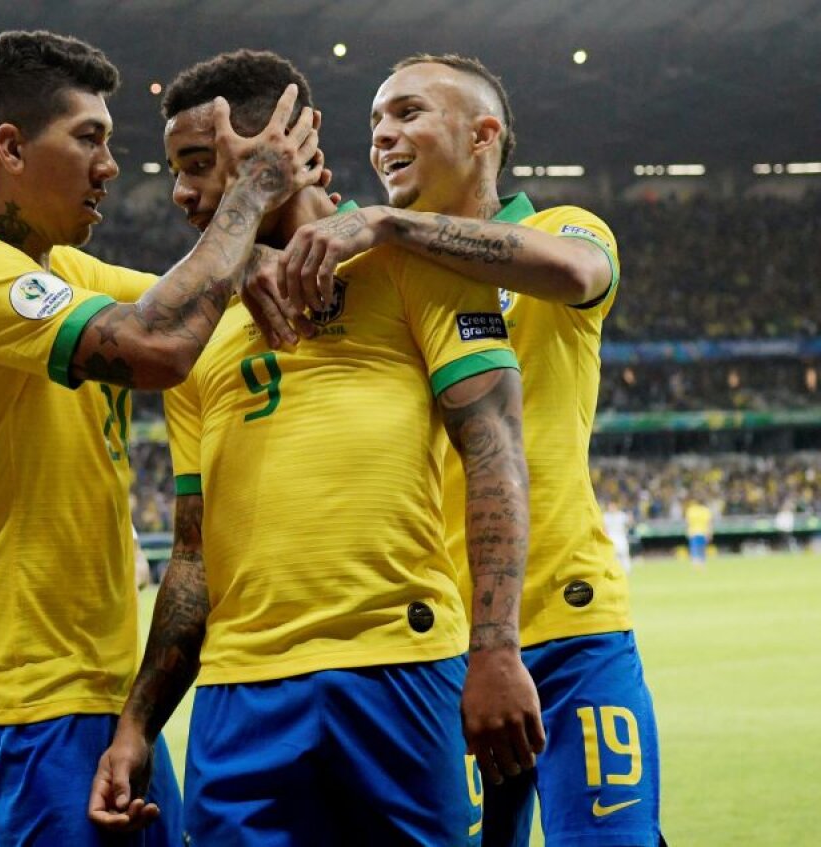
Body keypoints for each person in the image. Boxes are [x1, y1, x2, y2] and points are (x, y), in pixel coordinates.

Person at [88, 49, 539, 844]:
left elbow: (494, 444)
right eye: (176, 170)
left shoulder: (411, 261)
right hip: (240, 692)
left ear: (283, 148)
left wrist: (496, 644)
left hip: (400, 664)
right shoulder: (197, 334)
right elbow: (191, 557)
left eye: (200, 164)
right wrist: (137, 721)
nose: (182, 193)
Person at [0, 29, 321, 845]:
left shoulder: (66, 272)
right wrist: (248, 191)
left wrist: (302, 235)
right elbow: (159, 345)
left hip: (91, 690)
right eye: (89, 138)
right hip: (25, 694)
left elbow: (205, 296)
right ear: (12, 146)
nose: (111, 165)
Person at [278, 53, 664, 847]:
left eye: (409, 113)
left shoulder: (562, 228)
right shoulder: (370, 277)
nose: (384, 133)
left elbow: (573, 272)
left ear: (484, 134)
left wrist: (387, 222)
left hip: (569, 631)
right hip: (432, 651)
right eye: (377, 121)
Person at [603, 503, 634, 573]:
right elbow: (604, 528)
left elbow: (630, 523)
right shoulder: (606, 516)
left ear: (616, 507)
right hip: (611, 538)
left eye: (612, 507)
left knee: (624, 554)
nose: (611, 508)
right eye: (610, 507)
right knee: (613, 556)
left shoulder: (621, 515)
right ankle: (616, 571)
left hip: (621, 537)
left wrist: (630, 517)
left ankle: (627, 571)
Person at [685, 498, 713, 567]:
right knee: (702, 548)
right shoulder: (706, 510)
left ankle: (695, 563)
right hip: (703, 532)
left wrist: (687, 531)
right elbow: (709, 523)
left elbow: (688, 523)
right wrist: (710, 533)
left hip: (693, 532)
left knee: (694, 548)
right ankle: (702, 563)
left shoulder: (691, 510)